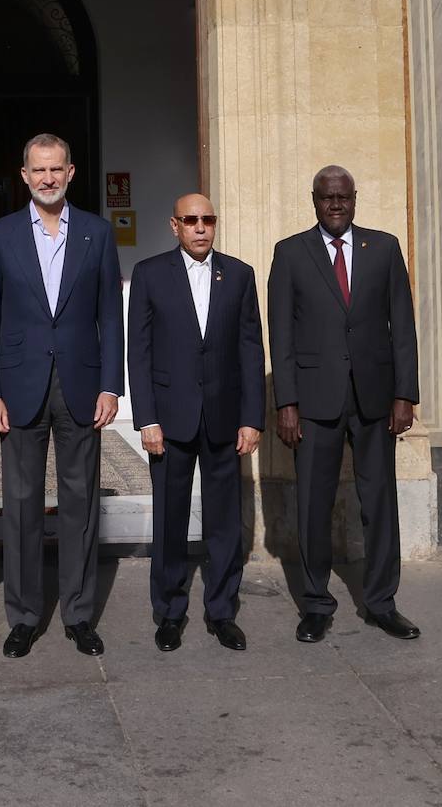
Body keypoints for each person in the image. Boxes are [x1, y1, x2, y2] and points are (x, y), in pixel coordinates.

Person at [0, 134, 123, 658]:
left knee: (80, 503)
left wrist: (111, 384)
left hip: (82, 384)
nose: (47, 178)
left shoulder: (97, 233)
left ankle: (79, 614)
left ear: (70, 172)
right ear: (23, 176)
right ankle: (23, 616)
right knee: (20, 504)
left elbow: (111, 312)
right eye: (38, 170)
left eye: (55, 169)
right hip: (18, 387)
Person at [268, 165, 421, 642]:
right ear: (313, 200)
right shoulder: (290, 253)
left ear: (355, 198)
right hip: (314, 401)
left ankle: (381, 602)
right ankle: (315, 604)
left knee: (379, 502)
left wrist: (405, 394)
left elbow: (403, 326)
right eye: (326, 198)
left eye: (343, 198)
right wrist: (286, 403)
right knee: (314, 504)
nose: (335, 206)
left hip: (375, 398)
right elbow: (282, 335)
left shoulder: (385, 248)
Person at [127, 194, 265, 653]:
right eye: (191, 220)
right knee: (170, 519)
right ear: (175, 226)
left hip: (225, 418)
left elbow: (250, 350)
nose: (201, 228)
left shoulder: (240, 275)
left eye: (208, 219)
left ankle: (222, 611)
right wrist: (146, 418)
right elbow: (139, 352)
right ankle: (168, 611)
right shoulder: (149, 275)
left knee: (225, 521)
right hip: (169, 419)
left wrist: (252, 418)